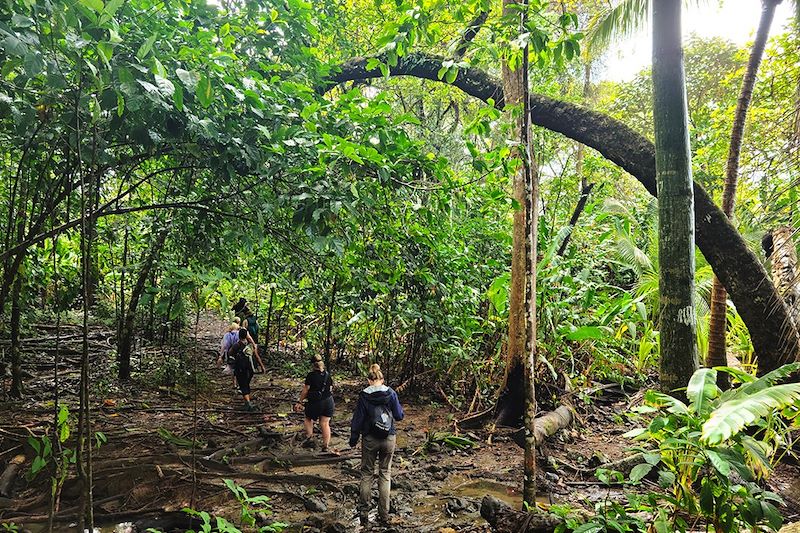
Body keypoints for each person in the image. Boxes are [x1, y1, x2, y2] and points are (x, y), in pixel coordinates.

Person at [349, 364, 404, 527]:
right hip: (389, 437)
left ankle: (364, 513)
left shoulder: (364, 396)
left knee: (366, 473)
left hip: (370, 439)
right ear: (382, 379)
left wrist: (353, 438)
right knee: (385, 473)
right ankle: (384, 514)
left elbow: (358, 419)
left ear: (368, 380)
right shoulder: (391, 393)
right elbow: (399, 416)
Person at [293, 355, 336, 453]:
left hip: (316, 402)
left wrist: (300, 401)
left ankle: (310, 438)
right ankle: (325, 446)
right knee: (325, 423)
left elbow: (306, 390)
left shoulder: (311, 375)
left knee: (308, 419)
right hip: (329, 401)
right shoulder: (327, 374)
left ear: (313, 365)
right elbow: (330, 389)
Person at [228, 328, 265, 411]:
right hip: (250, 368)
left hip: (240, 369)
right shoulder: (250, 345)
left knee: (243, 385)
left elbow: (230, 353)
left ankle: (248, 404)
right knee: (246, 384)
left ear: (239, 335)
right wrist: (262, 366)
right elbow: (257, 356)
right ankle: (247, 402)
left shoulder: (237, 345)